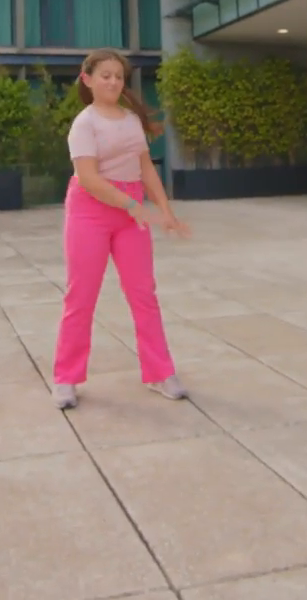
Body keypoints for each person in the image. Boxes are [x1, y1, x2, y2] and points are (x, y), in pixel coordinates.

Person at [52, 48, 190, 410]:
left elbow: (145, 168)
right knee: (81, 295)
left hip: (130, 214)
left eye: (118, 76)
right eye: (106, 76)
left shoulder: (130, 120)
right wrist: (131, 205)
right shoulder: (84, 124)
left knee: (144, 293)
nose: (113, 82)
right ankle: (66, 377)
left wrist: (165, 211)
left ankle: (160, 372)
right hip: (90, 211)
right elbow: (88, 178)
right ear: (87, 79)